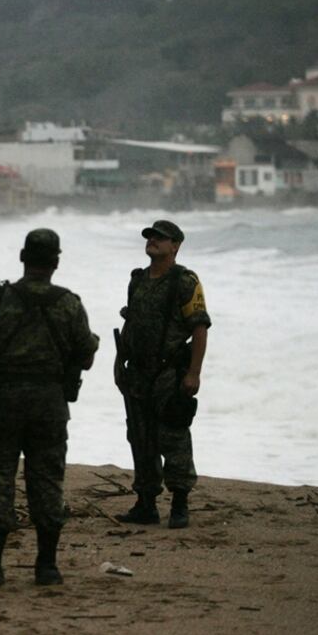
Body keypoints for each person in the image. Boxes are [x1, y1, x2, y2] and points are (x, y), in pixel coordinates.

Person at [0, 229, 98, 587]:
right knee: (48, 480)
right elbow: (86, 354)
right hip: (49, 403)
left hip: (4, 402)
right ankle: (47, 567)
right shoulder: (69, 303)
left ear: (23, 257)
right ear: (55, 262)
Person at [114, 220, 210, 530]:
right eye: (150, 236)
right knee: (140, 438)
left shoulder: (184, 281)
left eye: (160, 237)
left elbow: (199, 328)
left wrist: (193, 373)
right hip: (138, 372)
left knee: (174, 436)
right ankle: (146, 503)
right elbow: (131, 322)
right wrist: (120, 363)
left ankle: (180, 503)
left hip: (169, 372)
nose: (153, 240)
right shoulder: (138, 280)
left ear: (176, 245)